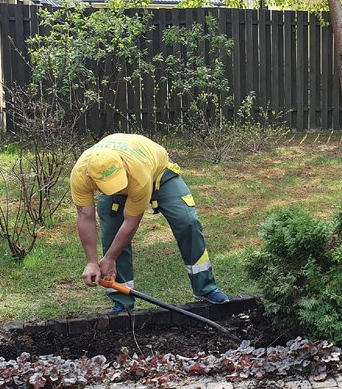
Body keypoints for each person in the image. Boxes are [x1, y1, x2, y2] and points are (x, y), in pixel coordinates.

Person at [71, 133, 229, 312]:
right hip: (124, 178)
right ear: (90, 177)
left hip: (159, 174)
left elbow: (131, 222)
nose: (120, 188)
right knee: (113, 233)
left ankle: (205, 288)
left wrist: (110, 257)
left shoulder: (138, 171)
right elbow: (85, 218)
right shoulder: (80, 175)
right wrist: (92, 262)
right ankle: (122, 300)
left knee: (187, 222)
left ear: (122, 163)